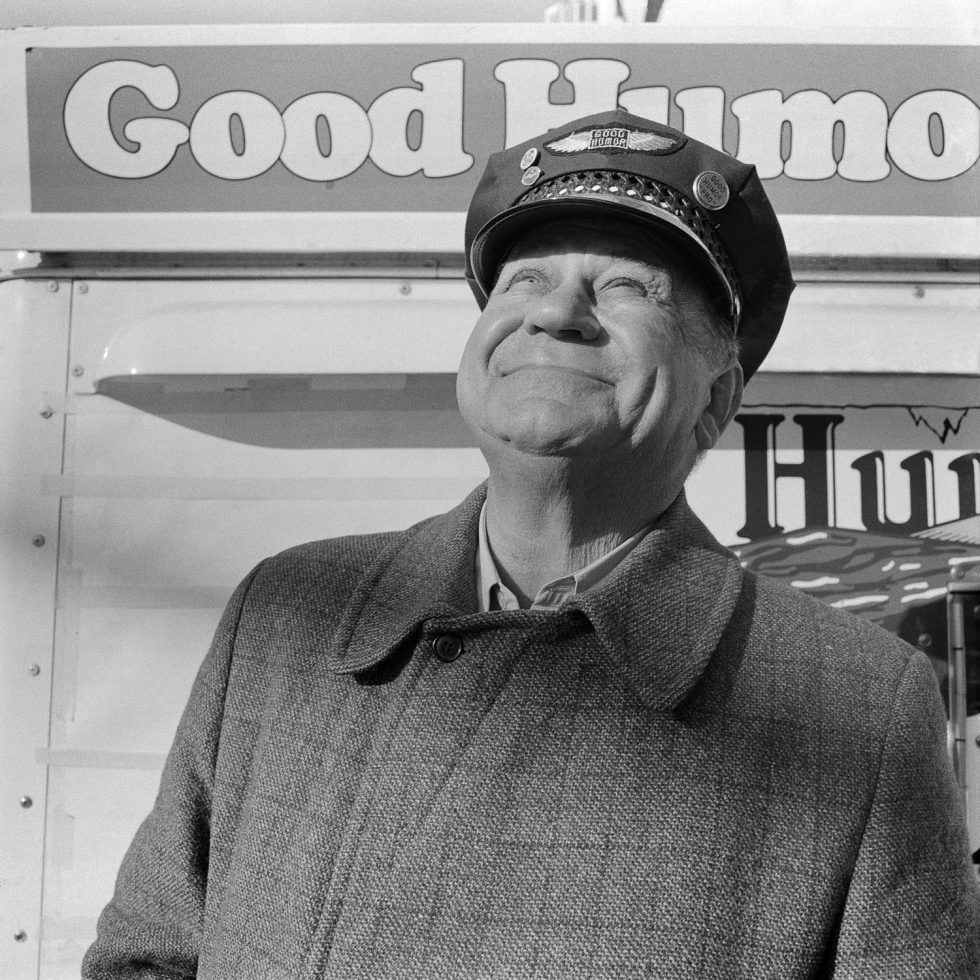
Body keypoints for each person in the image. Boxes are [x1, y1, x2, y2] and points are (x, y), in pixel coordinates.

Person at [83, 109, 979, 979]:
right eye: (524, 281)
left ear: (715, 398)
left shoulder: (858, 706)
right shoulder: (286, 616)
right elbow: (144, 960)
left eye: (628, 286)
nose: (557, 313)